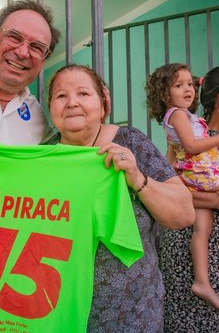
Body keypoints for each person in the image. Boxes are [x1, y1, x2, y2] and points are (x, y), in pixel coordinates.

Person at [45, 64, 195, 332]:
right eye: (61, 96)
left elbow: (184, 214)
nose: (72, 103)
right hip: (57, 310)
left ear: (103, 103)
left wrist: (138, 179)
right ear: (50, 107)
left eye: (83, 94)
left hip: (132, 313)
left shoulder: (130, 143)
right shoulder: (41, 159)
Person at [145, 63, 219, 315]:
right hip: (186, 257)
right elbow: (173, 188)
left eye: (189, 84)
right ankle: (207, 277)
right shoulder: (187, 133)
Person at [0, 0, 61, 144]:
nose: (23, 52)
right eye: (14, 37)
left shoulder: (37, 115)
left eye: (37, 47)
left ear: (42, 62)